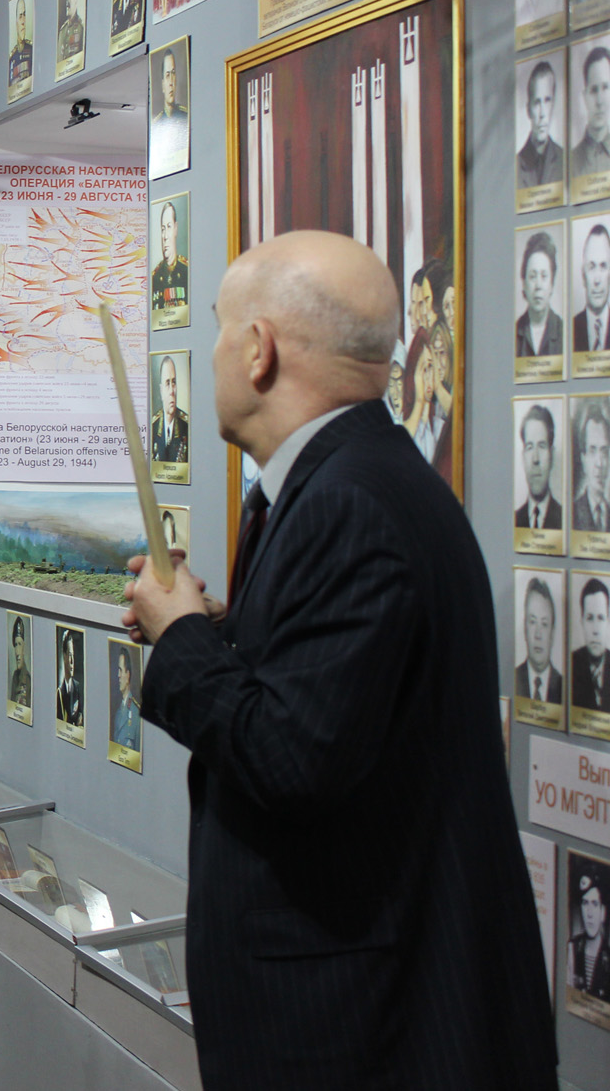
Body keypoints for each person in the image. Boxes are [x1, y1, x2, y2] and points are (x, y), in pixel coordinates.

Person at [122, 230, 558, 1089]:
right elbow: (341, 702)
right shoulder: (359, 482)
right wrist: (220, 629)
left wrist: (182, 639)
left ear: (259, 349)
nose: (211, 353)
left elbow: (291, 757)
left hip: (367, 1035)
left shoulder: (347, 504)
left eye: (218, 327)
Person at [517, 576, 564, 706]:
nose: (538, 634)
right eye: (533, 622)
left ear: (552, 633)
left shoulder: (564, 686)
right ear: (525, 628)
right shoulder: (513, 678)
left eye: (544, 624)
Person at [517, 62, 565, 188]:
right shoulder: (515, 166)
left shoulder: (566, 161)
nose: (542, 113)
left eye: (547, 100)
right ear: (528, 110)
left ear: (553, 104)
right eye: (537, 103)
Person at [517, 404, 563, 533]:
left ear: (552, 455)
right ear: (523, 457)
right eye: (530, 447)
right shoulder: (515, 519)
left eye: (542, 446)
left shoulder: (564, 518)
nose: (535, 459)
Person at [516, 231, 562, 358]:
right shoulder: (514, 332)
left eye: (544, 276)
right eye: (532, 276)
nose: (538, 286)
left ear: (552, 283)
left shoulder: (564, 332)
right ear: (524, 283)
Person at [572, 868, 610, 1000]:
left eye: (594, 904)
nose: (589, 913)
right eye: (585, 903)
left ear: (603, 912)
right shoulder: (571, 949)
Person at [151, 46, 189, 172]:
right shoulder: (156, 124)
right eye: (167, 76)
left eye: (173, 74)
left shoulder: (186, 117)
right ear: (162, 84)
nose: (171, 82)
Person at [575, 579, 610, 716]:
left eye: (600, 618)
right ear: (582, 622)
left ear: (608, 622)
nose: (595, 630)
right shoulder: (570, 665)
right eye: (590, 618)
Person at [576, 48, 610, 181]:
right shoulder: (570, 161)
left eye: (605, 87)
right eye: (594, 90)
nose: (599, 101)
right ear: (585, 97)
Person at [577, 403, 610, 534]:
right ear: (583, 459)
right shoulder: (572, 513)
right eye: (592, 451)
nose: (600, 463)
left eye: (604, 452)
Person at [578, 222, 610, 354]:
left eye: (603, 266)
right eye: (591, 267)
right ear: (583, 276)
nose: (597, 280)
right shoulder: (569, 328)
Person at [150, 357, 189, 465]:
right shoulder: (152, 427)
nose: (172, 391)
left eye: (174, 382)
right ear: (161, 390)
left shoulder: (186, 426)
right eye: (167, 383)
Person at [152, 201, 188, 313]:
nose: (165, 236)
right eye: (163, 229)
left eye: (169, 227)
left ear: (175, 229)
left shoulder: (186, 271)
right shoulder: (155, 278)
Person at [110, 644, 140, 750]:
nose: (118, 675)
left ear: (128, 675)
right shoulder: (118, 712)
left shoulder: (136, 713)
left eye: (121, 670)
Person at [55, 631, 83, 726]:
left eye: (73, 656)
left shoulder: (77, 687)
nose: (72, 661)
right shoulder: (59, 692)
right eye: (70, 656)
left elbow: (80, 714)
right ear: (64, 656)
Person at [7, 616, 31, 707]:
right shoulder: (15, 677)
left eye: (20, 644)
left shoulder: (27, 679)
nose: (17, 652)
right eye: (16, 645)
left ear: (24, 647)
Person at [8, 4, 32, 90]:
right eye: (20, 16)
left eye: (24, 15)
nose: (23, 21)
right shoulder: (12, 57)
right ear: (16, 23)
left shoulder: (31, 50)